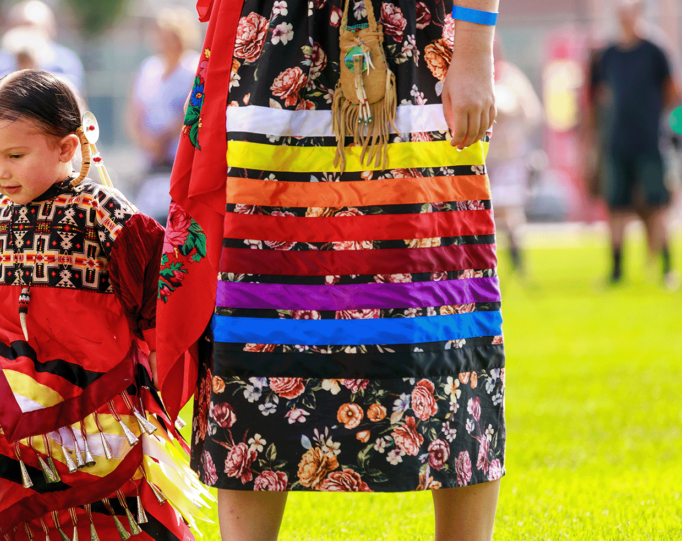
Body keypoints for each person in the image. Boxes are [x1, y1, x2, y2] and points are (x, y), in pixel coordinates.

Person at [154, 1, 506, 540]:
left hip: (414, 47)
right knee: (263, 301)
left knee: (443, 308)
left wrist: (476, 49)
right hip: (276, 46)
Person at [0, 69, 202, 541]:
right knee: (2, 488)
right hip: (6, 392)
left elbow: (153, 295)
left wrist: (158, 358)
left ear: (66, 148)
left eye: (15, 156)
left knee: (105, 500)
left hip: (93, 394)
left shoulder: (104, 213)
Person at [591, 0, 679, 288]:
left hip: (649, 141)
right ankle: (616, 272)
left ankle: (667, 267)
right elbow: (601, 96)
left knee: (656, 205)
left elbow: (672, 92)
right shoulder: (609, 55)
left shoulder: (655, 50)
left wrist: (654, 119)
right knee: (615, 206)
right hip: (617, 142)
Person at [128, 9, 202, 223]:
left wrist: (164, 138)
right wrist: (144, 139)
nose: (164, 41)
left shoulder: (193, 68)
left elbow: (193, 109)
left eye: (171, 36)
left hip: (181, 157)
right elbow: (134, 111)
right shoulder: (148, 68)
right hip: (151, 160)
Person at [488, 39, 541, 278]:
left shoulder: (511, 77)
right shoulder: (474, 74)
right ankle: (488, 266)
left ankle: (518, 265)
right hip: (483, 157)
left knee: (509, 212)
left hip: (509, 156)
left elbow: (533, 113)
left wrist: (513, 131)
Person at [0, 0, 85, 93]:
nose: (26, 32)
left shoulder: (65, 61)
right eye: (21, 26)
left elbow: (72, 95)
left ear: (49, 28)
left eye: (31, 26)